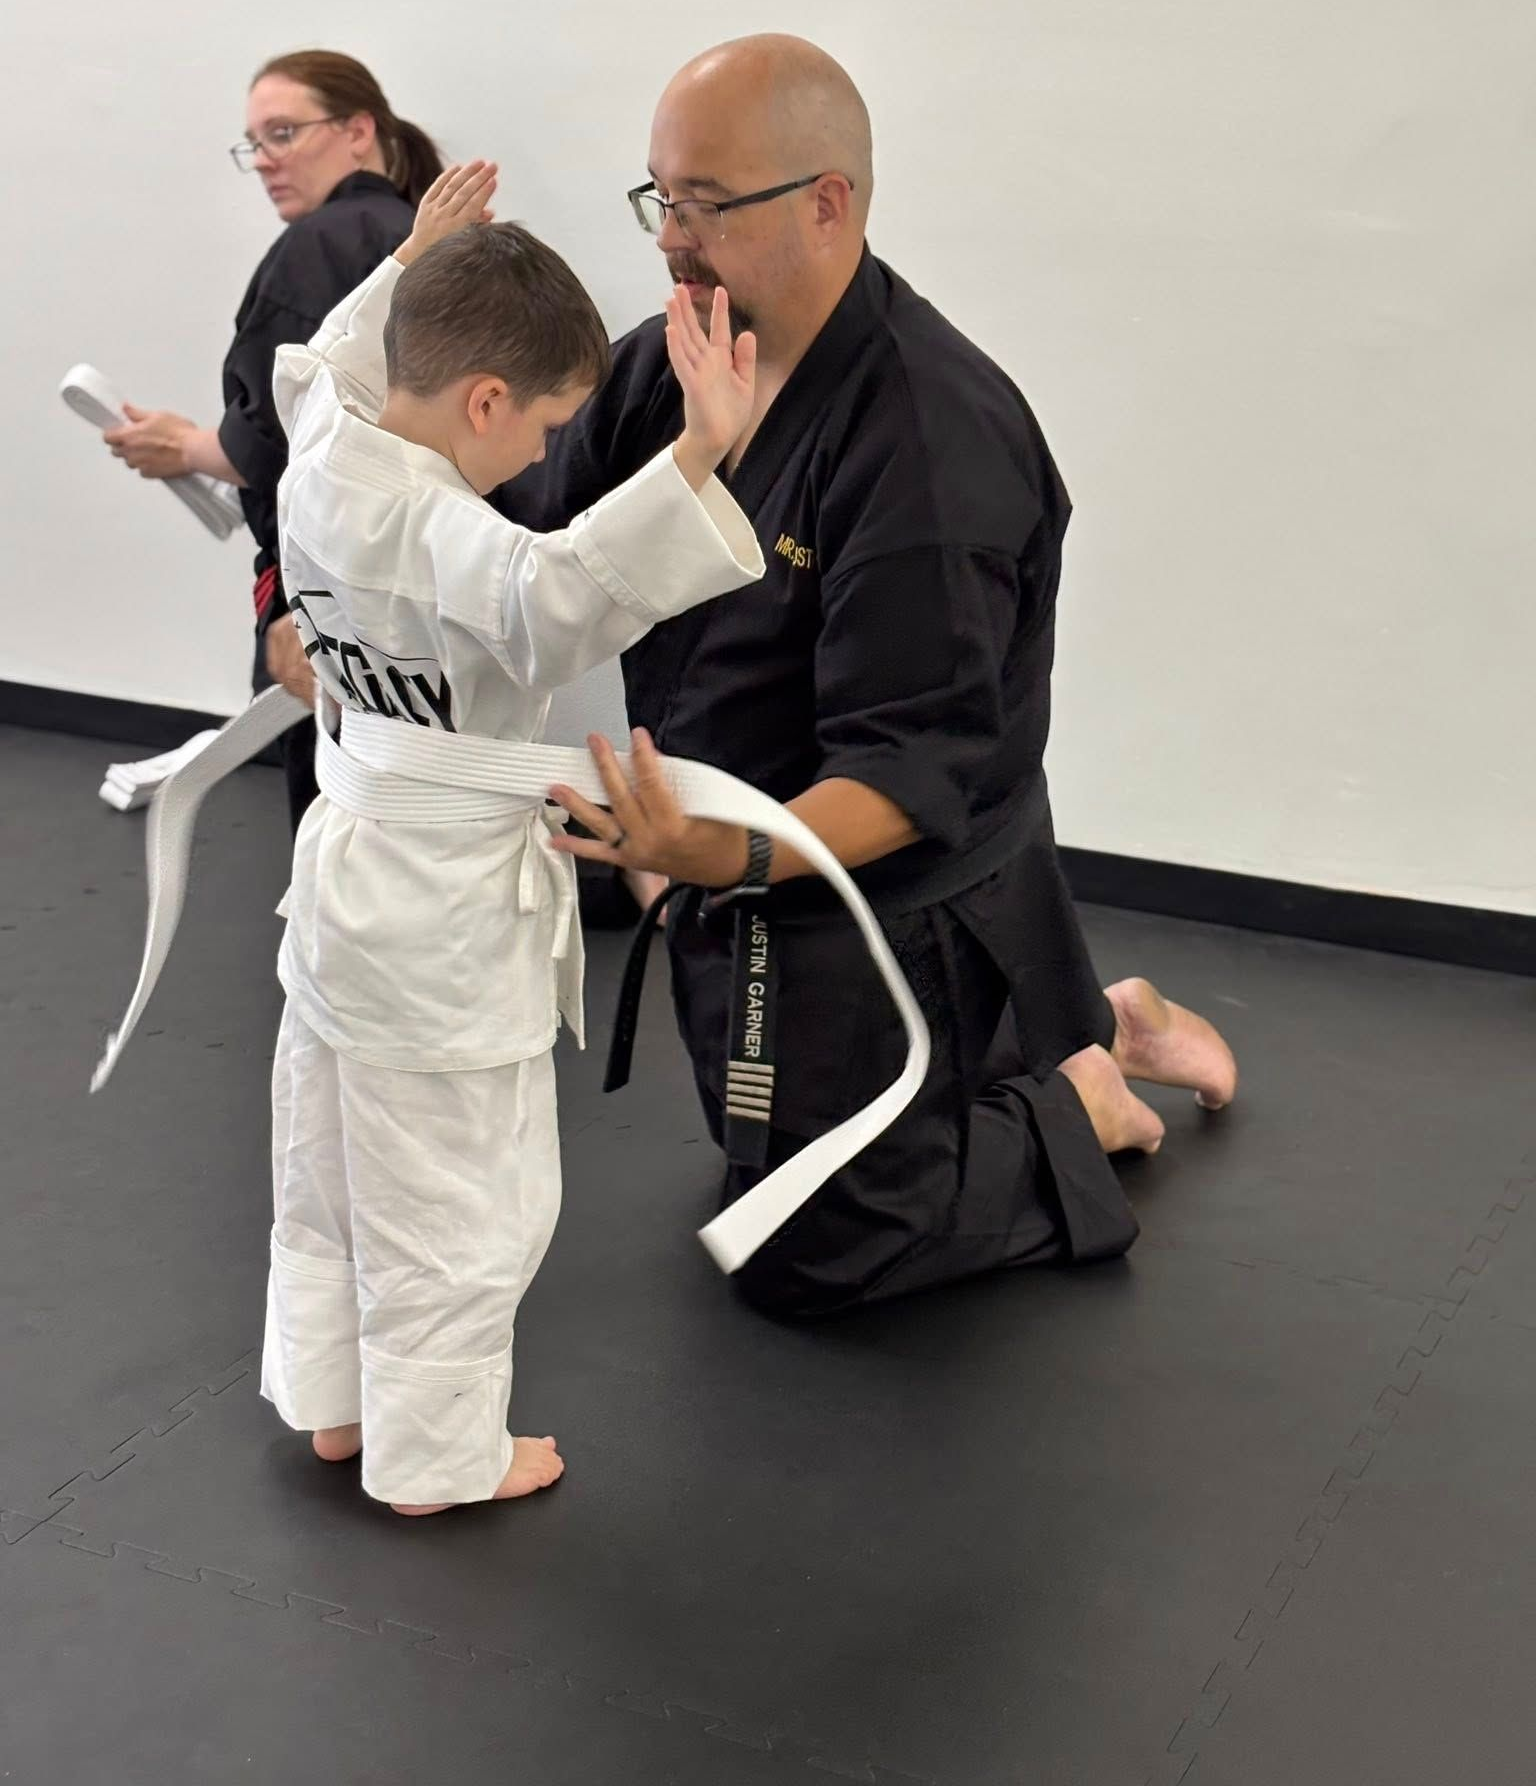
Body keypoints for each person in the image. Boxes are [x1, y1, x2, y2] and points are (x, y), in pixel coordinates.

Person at [498, 34, 1240, 1320]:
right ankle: (1082, 1022)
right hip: (725, 860)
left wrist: (710, 856)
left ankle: (1082, 1086)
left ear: (827, 201)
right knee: (750, 1162)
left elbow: (907, 776)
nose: (670, 236)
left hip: (885, 887)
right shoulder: (671, 358)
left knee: (810, 1246)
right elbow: (535, 540)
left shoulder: (930, 440)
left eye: (706, 204)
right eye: (660, 197)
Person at [262, 162, 763, 1513]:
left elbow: (321, 367)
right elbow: (559, 597)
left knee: (328, 1159)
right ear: (485, 400)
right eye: (540, 428)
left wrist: (413, 265)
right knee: (458, 1194)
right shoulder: (441, 534)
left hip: (342, 881)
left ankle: (333, 1399)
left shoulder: (325, 453)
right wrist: (699, 451)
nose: (540, 459)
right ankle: (436, 1455)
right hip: (436, 919)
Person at [103, 51, 438, 833]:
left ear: (359, 131)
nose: (264, 161)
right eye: (254, 143)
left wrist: (187, 450)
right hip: (432, 587)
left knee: (338, 824)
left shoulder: (321, 246)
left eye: (283, 134)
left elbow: (276, 445)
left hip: (333, 596)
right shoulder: (420, 238)